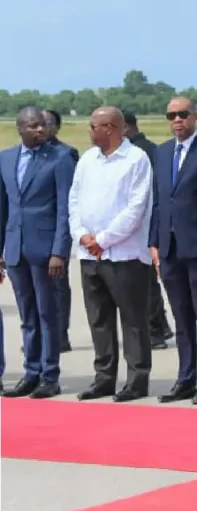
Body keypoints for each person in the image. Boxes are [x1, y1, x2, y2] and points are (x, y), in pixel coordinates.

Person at [69, 106, 155, 402]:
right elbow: (74, 201)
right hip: (89, 255)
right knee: (99, 319)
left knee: (132, 319)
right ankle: (104, 378)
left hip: (125, 255)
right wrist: (82, 235)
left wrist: (103, 240)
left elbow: (135, 208)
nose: (89, 131)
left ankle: (136, 380)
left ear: (110, 128)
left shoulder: (135, 159)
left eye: (93, 126)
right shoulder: (87, 160)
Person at [149, 97, 197, 405]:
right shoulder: (162, 151)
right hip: (169, 249)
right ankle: (185, 378)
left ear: (195, 116)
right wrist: (154, 242)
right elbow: (158, 200)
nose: (177, 120)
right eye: (172, 115)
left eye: (183, 114)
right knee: (181, 317)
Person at [0, 107, 74, 399]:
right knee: (27, 315)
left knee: (47, 314)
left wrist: (60, 250)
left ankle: (49, 374)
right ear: (20, 128)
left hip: (45, 250)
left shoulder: (60, 158)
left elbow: (64, 209)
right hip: (16, 248)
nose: (40, 130)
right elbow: (3, 209)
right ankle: (30, 372)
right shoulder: (5, 159)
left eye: (43, 125)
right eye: (33, 125)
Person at [125, 111, 174, 350]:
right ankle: (160, 326)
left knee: (146, 282)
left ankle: (156, 330)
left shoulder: (140, 152)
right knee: (148, 282)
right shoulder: (151, 148)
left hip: (144, 223)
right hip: (144, 223)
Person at [44, 109, 76, 354]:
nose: (41, 127)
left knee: (58, 286)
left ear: (57, 126)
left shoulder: (66, 154)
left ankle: (61, 334)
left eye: (47, 123)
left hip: (57, 230)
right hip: (32, 233)